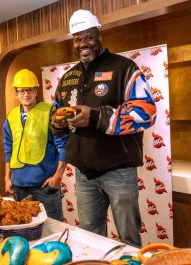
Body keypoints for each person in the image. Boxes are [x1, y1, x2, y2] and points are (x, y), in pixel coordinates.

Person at [52, 10, 157, 247]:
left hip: (119, 171)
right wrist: (57, 123)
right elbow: (58, 113)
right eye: (77, 39)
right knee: (91, 237)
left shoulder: (125, 68)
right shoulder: (68, 77)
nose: (82, 44)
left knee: (128, 239)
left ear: (99, 35)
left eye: (88, 37)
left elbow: (146, 113)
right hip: (84, 173)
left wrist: (96, 117)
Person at [3, 69, 68, 221]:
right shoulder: (11, 117)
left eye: (30, 90)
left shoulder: (50, 111)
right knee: (24, 228)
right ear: (16, 93)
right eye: (22, 91)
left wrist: (58, 176)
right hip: (19, 185)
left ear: (36, 91)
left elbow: (63, 146)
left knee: (53, 228)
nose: (26, 94)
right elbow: (8, 149)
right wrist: (7, 178)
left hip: (45, 186)